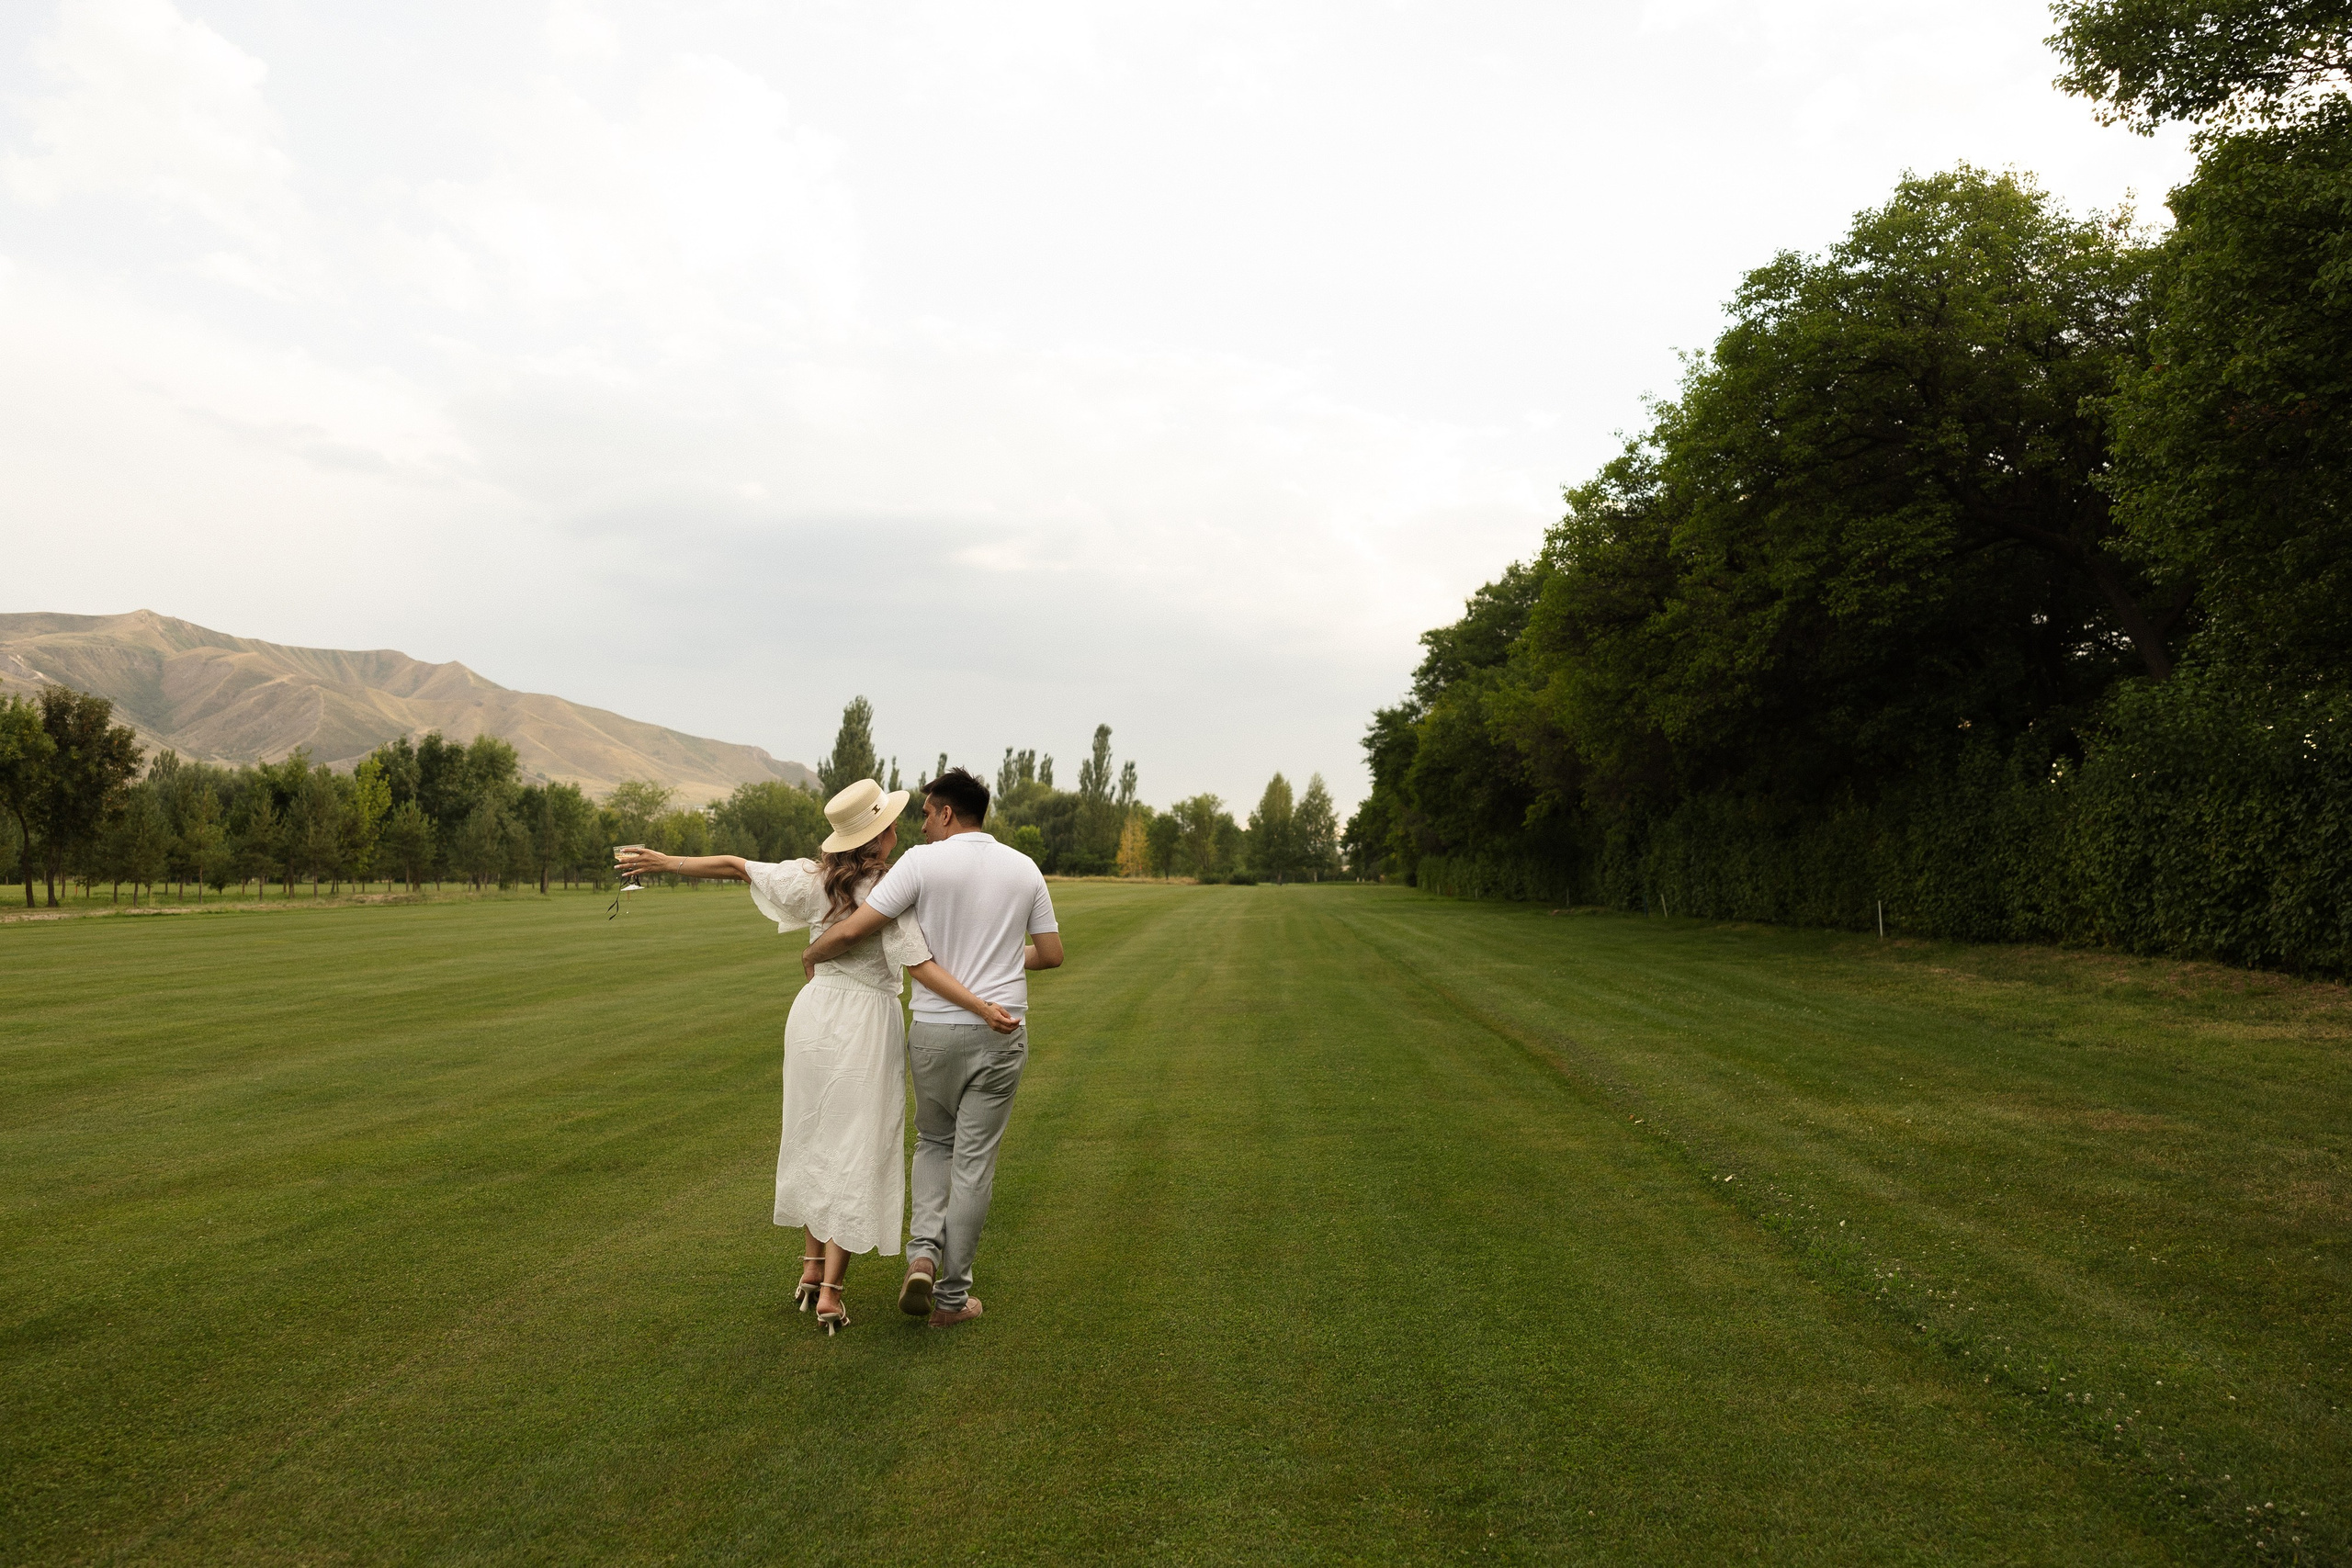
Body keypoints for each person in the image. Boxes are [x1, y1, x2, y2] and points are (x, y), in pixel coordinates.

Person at [615, 779, 1013, 1337]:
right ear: (882, 836)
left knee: (812, 1133)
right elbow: (921, 964)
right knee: (856, 1145)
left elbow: (735, 865)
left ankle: (808, 1271)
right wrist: (982, 1005)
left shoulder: (810, 876)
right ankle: (831, 1292)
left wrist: (665, 862)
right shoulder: (892, 893)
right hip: (866, 1021)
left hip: (813, 1013)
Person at [800, 766, 1062, 1329]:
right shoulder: (1024, 867)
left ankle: (923, 1252)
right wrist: (1001, 966)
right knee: (974, 1165)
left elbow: (854, 930)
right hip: (1002, 1031)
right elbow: (1052, 952)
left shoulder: (920, 864)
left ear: (947, 812)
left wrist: (812, 955)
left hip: (936, 1031)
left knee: (933, 1144)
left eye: (925, 813)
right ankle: (950, 1299)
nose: (920, 825)